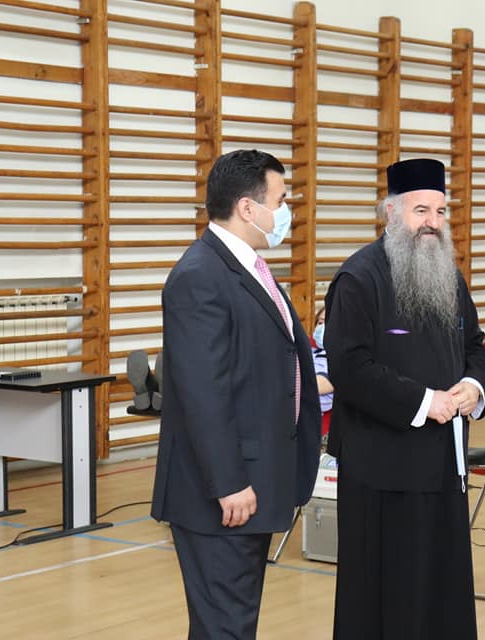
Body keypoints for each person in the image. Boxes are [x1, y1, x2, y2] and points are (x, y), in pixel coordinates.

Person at [151, 149, 321, 639]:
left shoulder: (248, 268)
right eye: (280, 201)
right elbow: (203, 392)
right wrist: (229, 482)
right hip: (223, 491)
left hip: (255, 480)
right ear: (248, 208)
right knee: (224, 626)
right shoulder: (200, 276)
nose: (286, 212)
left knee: (233, 621)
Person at [324, 157, 485, 640]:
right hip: (382, 467)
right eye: (421, 211)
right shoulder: (360, 278)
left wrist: (473, 386)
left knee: (441, 586)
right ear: (391, 212)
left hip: (443, 463)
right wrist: (423, 402)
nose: (432, 223)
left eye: (440, 212)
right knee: (388, 592)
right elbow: (349, 367)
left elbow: (475, 346)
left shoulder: (449, 276)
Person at [311, 306, 333, 413]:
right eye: (320, 323)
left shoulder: (340, 360)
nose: (322, 327)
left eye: (328, 323)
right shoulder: (310, 350)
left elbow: (316, 386)